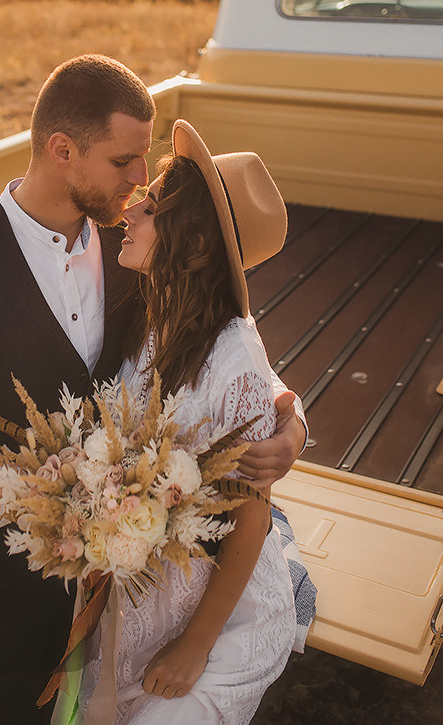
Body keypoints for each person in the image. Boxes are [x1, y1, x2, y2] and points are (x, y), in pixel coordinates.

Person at [0, 56, 305, 725]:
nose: (139, 182)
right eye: (124, 162)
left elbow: (220, 351)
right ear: (63, 151)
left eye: (145, 165)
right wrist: (41, 504)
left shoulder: (129, 240)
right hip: (7, 567)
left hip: (132, 584)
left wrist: (289, 417)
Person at [77, 120, 301, 725]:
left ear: (194, 243)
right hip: (151, 582)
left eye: (149, 209)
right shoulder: (155, 309)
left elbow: (249, 519)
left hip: (215, 607)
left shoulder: (232, 360)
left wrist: (194, 646)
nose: (128, 212)